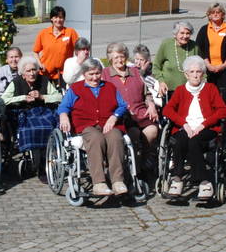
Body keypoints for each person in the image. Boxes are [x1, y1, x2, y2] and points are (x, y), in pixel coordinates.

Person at [58, 58, 128, 197]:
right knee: (96, 139)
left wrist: (114, 117)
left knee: (115, 138)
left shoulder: (110, 87)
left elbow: (122, 105)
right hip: (86, 125)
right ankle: (99, 183)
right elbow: (64, 106)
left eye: (97, 73)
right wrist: (63, 116)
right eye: (91, 74)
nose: (95, 77)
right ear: (84, 74)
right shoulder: (75, 89)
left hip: (108, 123)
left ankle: (117, 181)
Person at [162, 56, 226, 200]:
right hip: (185, 128)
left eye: (198, 71)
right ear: (186, 74)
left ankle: (204, 182)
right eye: (191, 72)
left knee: (194, 141)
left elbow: (223, 110)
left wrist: (203, 124)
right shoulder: (180, 90)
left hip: (206, 129)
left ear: (203, 73)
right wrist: (184, 124)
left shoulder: (210, 88)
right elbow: (167, 110)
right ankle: (177, 178)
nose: (195, 75)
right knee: (179, 140)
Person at [103, 42, 160, 174]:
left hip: (140, 112)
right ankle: (133, 167)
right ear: (110, 58)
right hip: (120, 115)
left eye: (122, 56)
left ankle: (144, 159)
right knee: (133, 133)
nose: (119, 60)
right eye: (116, 57)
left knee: (152, 130)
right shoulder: (105, 74)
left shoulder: (135, 72)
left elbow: (147, 93)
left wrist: (151, 104)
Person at [2, 55, 62, 170]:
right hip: (24, 113)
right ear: (23, 74)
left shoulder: (43, 80)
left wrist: (42, 96)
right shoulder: (16, 82)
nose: (32, 73)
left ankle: (44, 163)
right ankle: (38, 164)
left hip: (42, 112)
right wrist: (22, 98)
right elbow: (3, 99)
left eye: (34, 70)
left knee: (48, 127)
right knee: (31, 129)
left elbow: (59, 97)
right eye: (28, 71)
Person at [195, 3, 226, 92]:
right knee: (209, 93)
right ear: (209, 15)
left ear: (223, 14)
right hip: (208, 69)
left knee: (224, 94)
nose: (215, 14)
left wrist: (223, 66)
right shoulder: (204, 29)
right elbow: (199, 49)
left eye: (218, 12)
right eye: (212, 12)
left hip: (225, 69)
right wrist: (208, 65)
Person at [33, 6, 79, 83]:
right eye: (56, 17)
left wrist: (75, 64)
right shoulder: (43, 33)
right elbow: (35, 51)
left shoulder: (70, 32)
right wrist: (40, 64)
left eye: (61, 17)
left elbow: (79, 49)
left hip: (64, 73)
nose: (58, 20)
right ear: (51, 18)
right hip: (45, 73)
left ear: (64, 19)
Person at [153, 21, 198, 95]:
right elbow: (156, 66)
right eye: (182, 33)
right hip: (168, 89)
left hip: (190, 89)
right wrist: (161, 81)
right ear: (175, 34)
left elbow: (200, 67)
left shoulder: (194, 46)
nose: (185, 36)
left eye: (188, 33)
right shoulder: (166, 44)